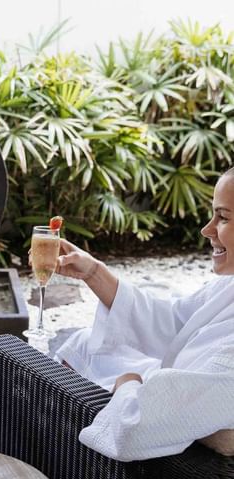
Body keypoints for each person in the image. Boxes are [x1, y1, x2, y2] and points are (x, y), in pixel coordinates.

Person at [53, 167, 234, 461]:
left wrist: (127, 384)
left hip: (155, 416)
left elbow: (134, 431)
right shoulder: (229, 287)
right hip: (169, 384)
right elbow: (176, 322)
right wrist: (95, 273)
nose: (207, 229)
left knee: (86, 361)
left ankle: (36, 448)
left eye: (223, 217)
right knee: (84, 344)